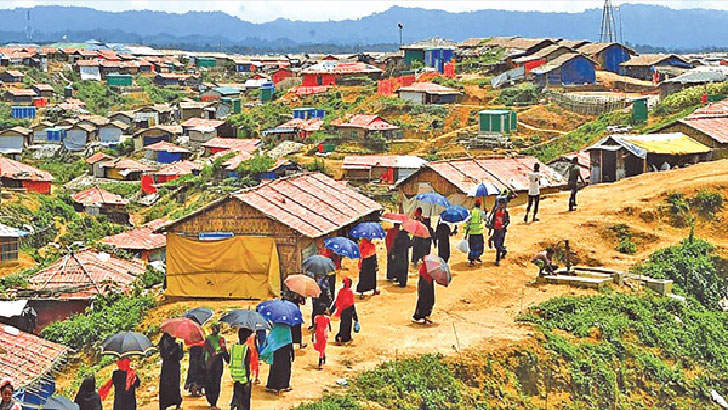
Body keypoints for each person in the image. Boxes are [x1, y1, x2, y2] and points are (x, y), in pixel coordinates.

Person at [261, 323, 294, 393]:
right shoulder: (287, 326)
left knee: (275, 367)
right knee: (286, 367)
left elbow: (270, 340)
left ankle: (272, 386)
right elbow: (290, 339)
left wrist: (264, 354)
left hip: (276, 349)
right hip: (286, 347)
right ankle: (284, 385)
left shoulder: (275, 326)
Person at [203, 323, 229, 410]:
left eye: (215, 328)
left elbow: (224, 351)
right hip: (211, 363)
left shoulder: (220, 338)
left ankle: (213, 402)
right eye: (212, 329)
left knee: (216, 382)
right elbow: (206, 349)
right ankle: (211, 401)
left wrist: (228, 360)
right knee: (210, 381)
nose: (213, 330)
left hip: (215, 362)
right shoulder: (209, 339)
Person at [158, 333, 183, 410]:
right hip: (172, 368)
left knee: (168, 386)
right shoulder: (168, 344)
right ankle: (176, 403)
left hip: (168, 368)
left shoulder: (166, 344)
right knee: (172, 385)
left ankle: (166, 404)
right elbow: (180, 356)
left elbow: (179, 356)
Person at [229, 328, 252, 410]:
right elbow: (246, 364)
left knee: (237, 391)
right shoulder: (246, 349)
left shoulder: (233, 347)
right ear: (247, 337)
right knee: (245, 397)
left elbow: (230, 358)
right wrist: (248, 378)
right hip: (243, 375)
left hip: (235, 374)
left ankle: (235, 404)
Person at [333, 278, 358, 344]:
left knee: (343, 324)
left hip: (342, 311)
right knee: (349, 324)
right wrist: (355, 316)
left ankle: (343, 337)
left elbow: (337, 301)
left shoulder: (341, 291)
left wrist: (332, 310)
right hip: (349, 310)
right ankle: (345, 338)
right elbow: (351, 303)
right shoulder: (350, 292)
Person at [488, 198, 510, 266]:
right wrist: (490, 229)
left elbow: (507, 221)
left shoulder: (505, 212)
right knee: (496, 245)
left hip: (502, 232)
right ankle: (503, 251)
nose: (500, 205)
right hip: (496, 230)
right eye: (500, 204)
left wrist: (504, 225)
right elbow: (492, 221)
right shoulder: (496, 212)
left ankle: (497, 260)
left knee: (498, 245)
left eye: (502, 204)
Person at [465, 200, 486, 267]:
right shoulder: (481, 212)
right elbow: (486, 219)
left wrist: (466, 231)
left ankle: (472, 260)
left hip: (472, 232)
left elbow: (467, 222)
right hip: (479, 232)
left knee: (472, 247)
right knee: (479, 246)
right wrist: (486, 212)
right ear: (479, 205)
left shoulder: (470, 212)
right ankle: (477, 257)